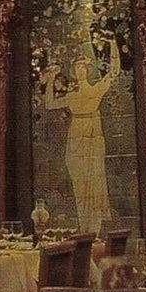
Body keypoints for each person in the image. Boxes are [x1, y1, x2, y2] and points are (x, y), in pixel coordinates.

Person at [41, 40, 121, 234]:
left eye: (83, 67)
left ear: (88, 70)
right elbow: (50, 104)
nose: (80, 71)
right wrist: (51, 80)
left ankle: (93, 228)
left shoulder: (95, 90)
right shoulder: (72, 96)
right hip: (75, 139)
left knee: (94, 182)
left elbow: (114, 71)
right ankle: (84, 227)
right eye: (76, 68)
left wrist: (113, 44)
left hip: (92, 137)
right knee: (78, 183)